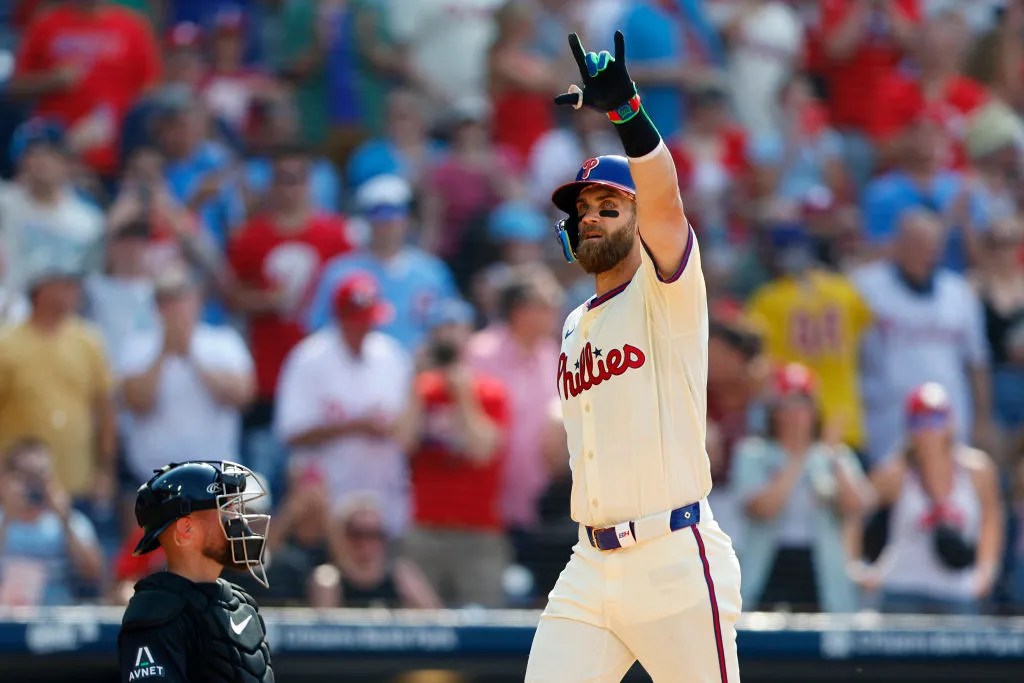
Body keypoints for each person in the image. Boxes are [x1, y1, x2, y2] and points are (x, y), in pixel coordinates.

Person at [525, 32, 742, 683]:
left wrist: (627, 114)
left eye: (609, 206)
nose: (590, 216)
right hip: (590, 562)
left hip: (673, 555)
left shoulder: (666, 287)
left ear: (638, 217)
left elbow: (669, 205)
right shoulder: (572, 324)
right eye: (583, 208)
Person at [117, 460, 274, 683]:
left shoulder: (243, 606)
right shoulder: (155, 613)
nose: (238, 520)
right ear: (186, 529)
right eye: (225, 508)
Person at [856, 383, 1003, 615]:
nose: (928, 430)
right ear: (909, 428)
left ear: (950, 422)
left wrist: (986, 571)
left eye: (935, 419)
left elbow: (992, 520)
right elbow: (854, 509)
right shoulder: (895, 472)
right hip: (902, 590)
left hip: (958, 591)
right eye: (919, 421)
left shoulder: (977, 470)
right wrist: (859, 567)